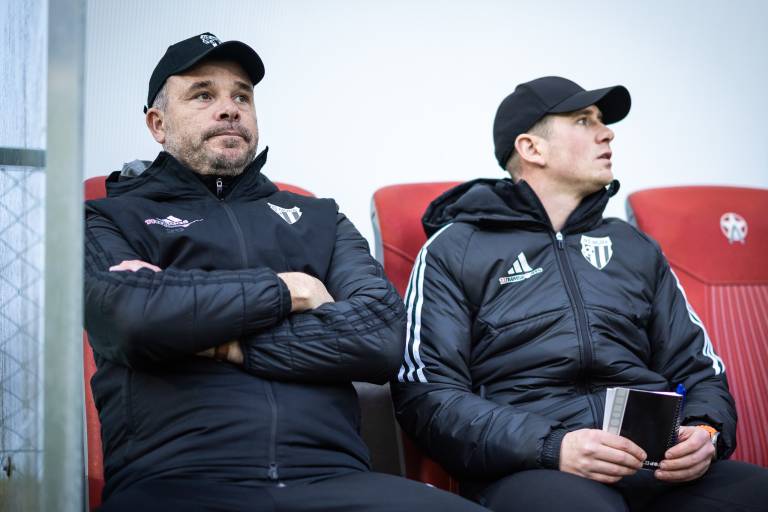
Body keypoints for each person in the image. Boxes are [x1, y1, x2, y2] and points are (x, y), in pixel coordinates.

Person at [84, 32, 487, 512]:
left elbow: (379, 335)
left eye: (242, 96)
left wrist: (219, 339)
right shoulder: (107, 216)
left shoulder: (321, 219)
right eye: (203, 95)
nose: (229, 109)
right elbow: (131, 318)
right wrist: (290, 289)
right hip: (178, 481)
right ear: (158, 123)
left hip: (334, 478)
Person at [392, 76, 768, 511]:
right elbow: (428, 394)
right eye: (584, 120)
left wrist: (706, 432)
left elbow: (700, 370)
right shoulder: (455, 248)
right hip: (532, 468)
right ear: (532, 149)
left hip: (654, 466)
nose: (607, 134)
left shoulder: (635, 247)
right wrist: (554, 446)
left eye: (602, 121)